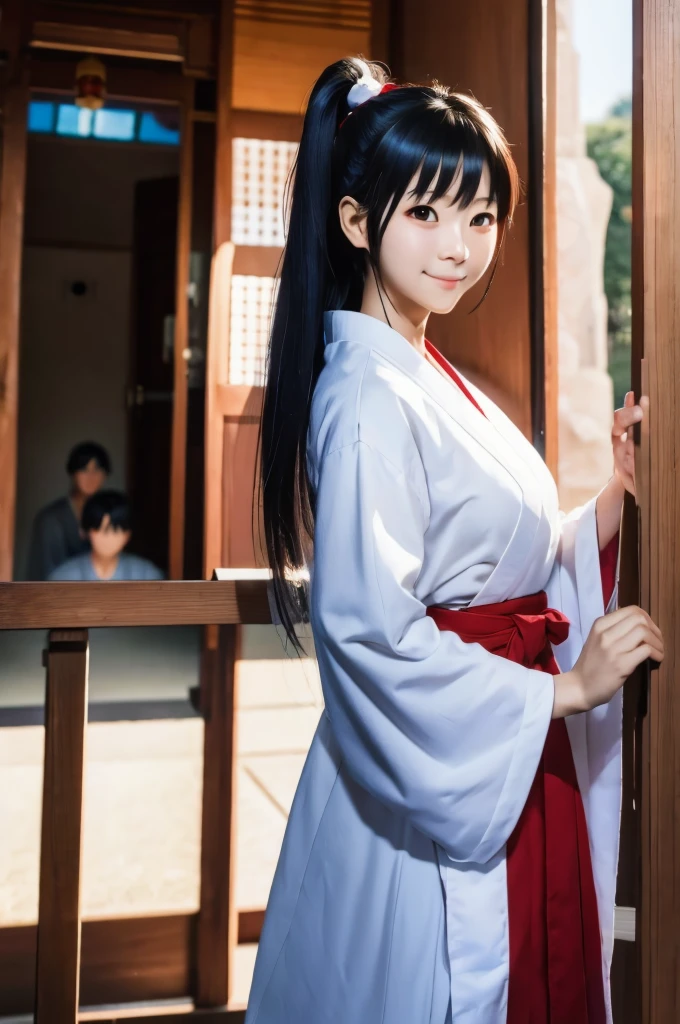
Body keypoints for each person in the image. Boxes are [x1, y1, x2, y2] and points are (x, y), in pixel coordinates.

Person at [248, 58, 664, 1024]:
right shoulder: (365, 398)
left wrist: (613, 500)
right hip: (449, 768)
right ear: (357, 223)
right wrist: (564, 687)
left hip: (496, 743)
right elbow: (372, 636)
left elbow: (498, 563)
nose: (461, 247)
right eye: (427, 213)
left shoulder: (420, 370)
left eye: (481, 218)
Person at [26, 440, 111, 580]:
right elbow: (46, 572)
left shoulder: (111, 515)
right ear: (73, 473)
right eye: (84, 469)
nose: (91, 476)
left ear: (105, 474)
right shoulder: (51, 518)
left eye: (97, 469)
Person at [48, 490, 163, 581]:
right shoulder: (63, 577)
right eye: (100, 529)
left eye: (115, 530)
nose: (108, 538)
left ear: (127, 535)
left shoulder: (147, 575)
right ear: (86, 531)